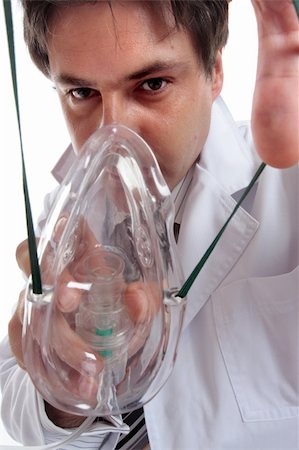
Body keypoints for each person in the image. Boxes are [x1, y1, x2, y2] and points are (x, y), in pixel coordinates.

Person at [1, 0, 298, 449]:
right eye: (82, 93)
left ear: (215, 70)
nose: (114, 132)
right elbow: (16, 399)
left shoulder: (287, 184)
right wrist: (63, 380)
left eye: (152, 84)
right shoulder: (67, 216)